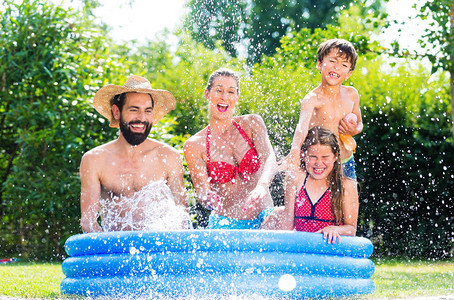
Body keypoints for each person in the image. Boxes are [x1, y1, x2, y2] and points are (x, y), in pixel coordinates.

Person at [79, 75, 189, 233]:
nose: (142, 118)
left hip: (157, 251)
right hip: (115, 250)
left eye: (147, 111)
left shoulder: (168, 157)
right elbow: (88, 223)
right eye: (134, 110)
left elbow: (182, 218)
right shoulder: (95, 160)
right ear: (116, 112)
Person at [183, 68, 281, 229]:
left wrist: (262, 185)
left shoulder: (252, 124)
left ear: (237, 97)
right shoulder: (194, 145)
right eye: (219, 90)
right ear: (207, 94)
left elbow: (269, 157)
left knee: (282, 215)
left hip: (264, 217)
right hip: (226, 223)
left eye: (231, 92)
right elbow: (202, 190)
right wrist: (208, 198)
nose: (224, 97)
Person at [282, 38, 363, 181]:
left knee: (349, 201)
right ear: (319, 64)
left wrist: (354, 130)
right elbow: (301, 127)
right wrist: (295, 150)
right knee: (315, 202)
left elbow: (360, 123)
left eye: (344, 65)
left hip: (345, 162)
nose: (337, 67)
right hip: (318, 164)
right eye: (332, 61)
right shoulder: (312, 99)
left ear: (349, 73)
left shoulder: (351, 94)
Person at [280, 126, 359, 244]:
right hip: (301, 246)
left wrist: (334, 229)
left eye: (325, 157)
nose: (318, 163)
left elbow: (351, 229)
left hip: (328, 250)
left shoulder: (346, 185)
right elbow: (287, 222)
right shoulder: (295, 179)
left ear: (335, 156)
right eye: (313, 157)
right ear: (303, 155)